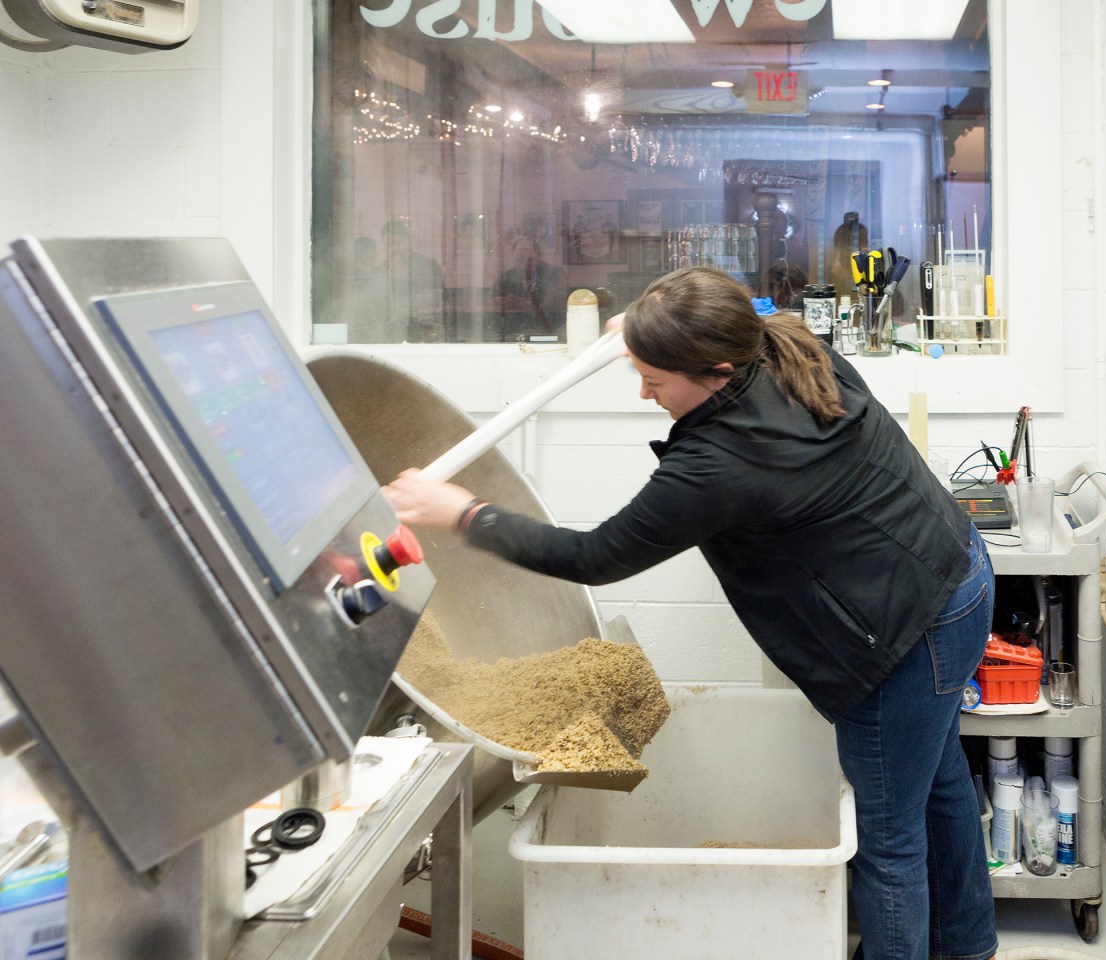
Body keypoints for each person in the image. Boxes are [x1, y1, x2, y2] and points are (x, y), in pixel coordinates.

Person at [382, 265, 998, 960]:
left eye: (655, 377)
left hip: (903, 633)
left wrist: (463, 513)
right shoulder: (789, 342)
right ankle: (969, 948)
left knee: (889, 842)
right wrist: (647, 328)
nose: (644, 390)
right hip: (957, 574)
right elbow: (724, 301)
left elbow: (594, 556)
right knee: (939, 780)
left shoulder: (723, 461)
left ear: (716, 368)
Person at [492, 234, 568, 340]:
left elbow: (553, 308)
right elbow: (489, 300)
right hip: (512, 337)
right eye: (519, 260)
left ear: (539, 255)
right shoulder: (506, 277)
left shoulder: (555, 275)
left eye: (529, 260)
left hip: (547, 336)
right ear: (513, 257)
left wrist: (525, 304)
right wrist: (499, 301)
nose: (523, 266)